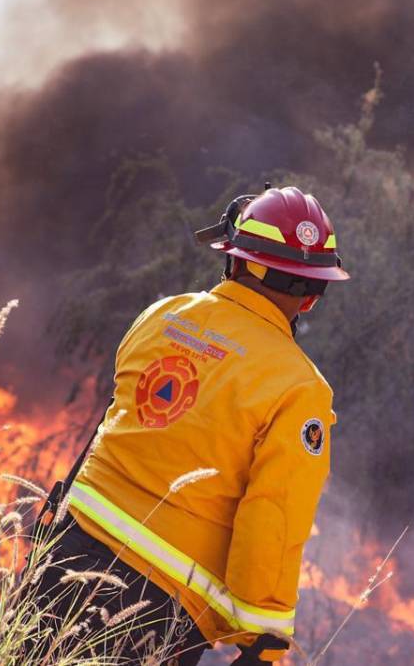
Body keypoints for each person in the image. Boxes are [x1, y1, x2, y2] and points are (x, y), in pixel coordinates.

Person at [27, 186, 349, 664]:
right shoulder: (301, 391)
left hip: (64, 556)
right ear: (311, 298)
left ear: (233, 261)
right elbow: (272, 520)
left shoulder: (163, 315)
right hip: (155, 612)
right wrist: (262, 641)